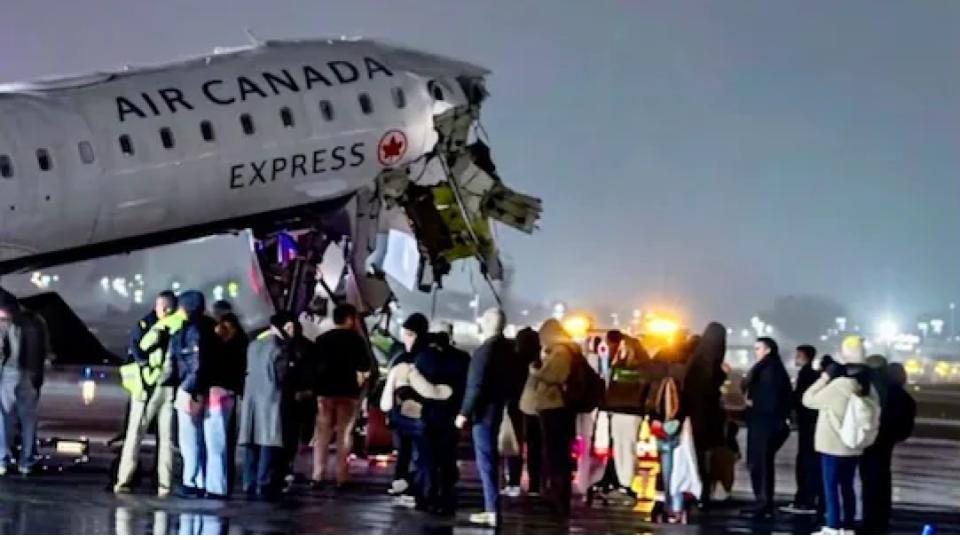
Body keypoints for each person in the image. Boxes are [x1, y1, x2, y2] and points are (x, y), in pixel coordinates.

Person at [803, 336, 880, 535]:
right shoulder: (868, 387)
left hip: (832, 444)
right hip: (853, 446)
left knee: (830, 487)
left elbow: (808, 399)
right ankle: (848, 525)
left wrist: (825, 378)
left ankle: (832, 525)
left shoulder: (840, 385)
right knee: (847, 486)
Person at [114, 292, 182, 495]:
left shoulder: (151, 325)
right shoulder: (165, 326)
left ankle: (133, 481)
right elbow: (139, 350)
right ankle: (155, 483)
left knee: (142, 436)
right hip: (152, 389)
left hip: (155, 389)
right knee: (147, 437)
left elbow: (137, 350)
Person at [456, 308, 515, 528]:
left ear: (488, 324)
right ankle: (493, 506)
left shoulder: (484, 352)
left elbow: (476, 386)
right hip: (502, 408)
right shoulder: (509, 350)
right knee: (493, 460)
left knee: (486, 460)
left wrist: (464, 413)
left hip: (484, 413)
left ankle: (491, 509)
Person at [519, 319, 577, 519]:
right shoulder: (562, 350)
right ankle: (554, 494)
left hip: (554, 408)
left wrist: (535, 371)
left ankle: (557, 498)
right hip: (553, 408)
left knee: (555, 455)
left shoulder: (561, 352)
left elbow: (553, 376)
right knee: (553, 454)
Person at [312, 303, 371, 488]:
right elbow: (364, 365)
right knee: (344, 435)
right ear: (349, 319)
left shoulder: (322, 339)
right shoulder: (357, 341)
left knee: (322, 434)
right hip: (347, 392)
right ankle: (341, 477)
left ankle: (318, 475)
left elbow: (314, 366)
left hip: (324, 392)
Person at [413, 324, 469, 515]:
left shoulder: (423, 357)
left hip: (427, 414)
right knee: (447, 457)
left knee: (426, 457)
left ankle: (426, 494)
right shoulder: (462, 359)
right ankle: (445, 495)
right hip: (450, 415)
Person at [237, 313, 293, 500]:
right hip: (271, 400)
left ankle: (248, 482)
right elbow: (282, 376)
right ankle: (264, 482)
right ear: (283, 327)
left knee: (251, 443)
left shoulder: (253, 345)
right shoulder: (280, 346)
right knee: (269, 442)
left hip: (251, 399)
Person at [169, 290, 217, 498]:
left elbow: (195, 364)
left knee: (189, 440)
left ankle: (192, 481)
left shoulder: (192, 331)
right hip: (195, 388)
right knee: (195, 439)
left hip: (190, 389)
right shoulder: (206, 328)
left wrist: (189, 390)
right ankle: (197, 480)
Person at [860, 362, 915, 533]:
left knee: (870, 480)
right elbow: (906, 428)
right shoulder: (906, 398)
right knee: (883, 477)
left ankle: (870, 517)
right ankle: (881, 515)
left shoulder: (880, 393)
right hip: (887, 441)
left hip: (873, 440)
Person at [740, 337, 792, 519]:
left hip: (765, 424)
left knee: (760, 463)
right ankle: (762, 501)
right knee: (760, 463)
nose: (756, 351)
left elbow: (770, 398)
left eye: (759, 348)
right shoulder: (769, 367)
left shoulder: (769, 369)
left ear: (768, 349)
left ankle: (763, 503)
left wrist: (752, 402)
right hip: (764, 423)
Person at [681, 321, 727, 506]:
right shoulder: (714, 362)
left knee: (696, 454)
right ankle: (705, 490)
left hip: (694, 413)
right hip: (710, 415)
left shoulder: (696, 359)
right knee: (708, 454)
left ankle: (697, 489)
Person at [202, 311, 245, 500]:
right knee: (226, 440)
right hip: (231, 394)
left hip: (216, 395)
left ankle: (216, 486)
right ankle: (224, 481)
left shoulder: (214, 344)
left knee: (215, 442)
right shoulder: (242, 344)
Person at [780, 344, 822, 516]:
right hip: (811, 425)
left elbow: (800, 399)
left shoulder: (805, 375)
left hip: (807, 425)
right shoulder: (813, 374)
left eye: (798, 355)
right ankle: (809, 498)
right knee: (809, 462)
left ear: (805, 356)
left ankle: (805, 500)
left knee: (806, 463)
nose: (796, 358)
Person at [213, 311, 248, 493]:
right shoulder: (239, 343)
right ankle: (227, 473)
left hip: (227, 393)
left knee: (223, 435)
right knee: (225, 435)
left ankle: (226, 474)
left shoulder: (232, 345)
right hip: (229, 392)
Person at [507, 327, 542, 496]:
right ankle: (535, 484)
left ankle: (514, 481)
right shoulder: (540, 361)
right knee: (536, 446)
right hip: (537, 408)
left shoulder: (513, 360)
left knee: (515, 445)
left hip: (515, 405)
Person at [650, 374, 686, 523]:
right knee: (675, 473)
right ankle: (674, 507)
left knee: (666, 473)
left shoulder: (660, 384)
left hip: (665, 437)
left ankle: (667, 505)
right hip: (674, 436)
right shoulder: (679, 386)